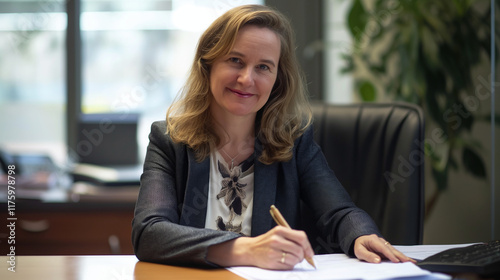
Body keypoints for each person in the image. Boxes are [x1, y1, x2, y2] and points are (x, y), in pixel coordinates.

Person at [132, 4, 414, 270]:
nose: (246, 79)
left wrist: (360, 235)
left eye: (263, 67)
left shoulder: (294, 141)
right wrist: (245, 250)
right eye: (235, 60)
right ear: (208, 65)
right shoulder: (169, 140)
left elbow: (339, 212)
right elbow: (149, 234)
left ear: (278, 79)